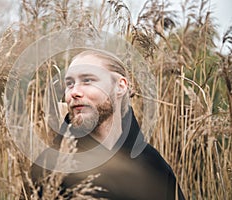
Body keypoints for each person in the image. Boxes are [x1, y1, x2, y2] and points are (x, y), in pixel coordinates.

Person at [22, 49, 185, 199]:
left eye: (87, 80)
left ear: (120, 86)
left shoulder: (153, 165)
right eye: (69, 84)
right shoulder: (49, 167)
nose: (74, 92)